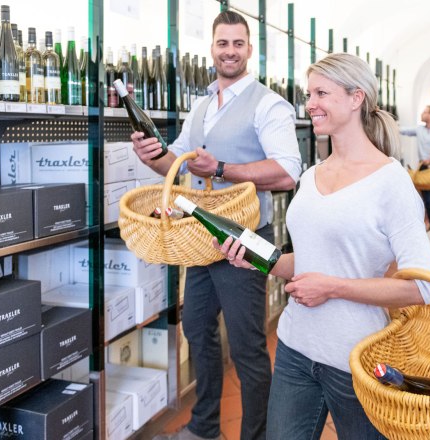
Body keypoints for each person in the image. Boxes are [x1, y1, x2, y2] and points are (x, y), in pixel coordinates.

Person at [214, 53, 430, 440]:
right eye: (308, 93)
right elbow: (312, 262)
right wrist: (258, 261)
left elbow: (422, 287)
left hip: (356, 361)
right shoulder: (312, 175)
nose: (310, 103)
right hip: (294, 349)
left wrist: (332, 287)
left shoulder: (391, 183)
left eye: (321, 93)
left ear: (356, 98)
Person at [132, 10, 303, 440]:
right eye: (222, 43)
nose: (230, 51)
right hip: (200, 237)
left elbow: (287, 173)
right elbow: (179, 163)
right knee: (197, 331)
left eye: (238, 44)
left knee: (247, 347)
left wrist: (224, 167)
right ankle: (206, 427)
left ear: (250, 50)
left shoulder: (269, 104)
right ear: (211, 49)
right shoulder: (204, 105)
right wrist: (151, 155)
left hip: (245, 240)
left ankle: (255, 435)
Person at [400, 105, 430, 229]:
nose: (422, 114)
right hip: (423, 167)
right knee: (428, 200)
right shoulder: (419, 129)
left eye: (425, 112)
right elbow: (404, 130)